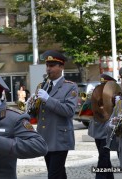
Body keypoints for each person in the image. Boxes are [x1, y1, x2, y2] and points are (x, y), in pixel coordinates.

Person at [34, 50, 78, 179]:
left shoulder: (70, 87)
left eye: (52, 65)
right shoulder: (43, 86)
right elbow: (40, 113)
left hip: (60, 138)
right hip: (45, 136)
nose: (48, 69)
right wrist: (31, 106)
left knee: (53, 174)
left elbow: (69, 111)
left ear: (61, 67)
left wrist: (48, 99)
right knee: (58, 173)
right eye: (47, 65)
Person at [88, 74, 115, 179]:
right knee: (104, 158)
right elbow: (88, 109)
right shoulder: (97, 93)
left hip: (106, 132)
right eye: (102, 84)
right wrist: (92, 98)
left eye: (105, 85)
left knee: (103, 158)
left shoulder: (113, 95)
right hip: (97, 130)